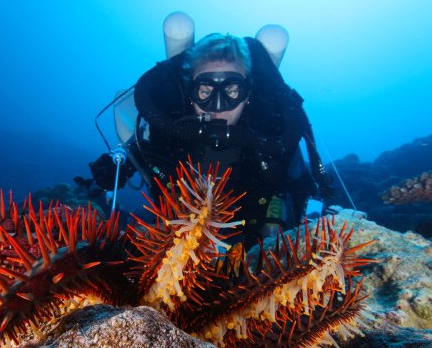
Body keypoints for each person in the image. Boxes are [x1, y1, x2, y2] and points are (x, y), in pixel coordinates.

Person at [87, 33, 331, 247]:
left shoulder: (271, 135)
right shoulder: (169, 131)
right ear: (190, 94)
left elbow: (304, 190)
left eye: (231, 91)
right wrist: (115, 169)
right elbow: (136, 151)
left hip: (254, 251)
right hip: (173, 236)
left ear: (248, 95)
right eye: (205, 91)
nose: (217, 107)